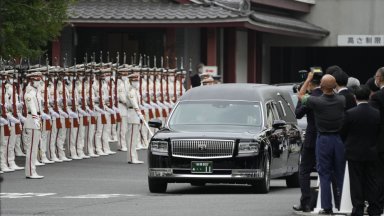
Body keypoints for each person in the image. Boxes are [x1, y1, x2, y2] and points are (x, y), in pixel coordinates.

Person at [298, 72, 346, 215]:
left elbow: (300, 96)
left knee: (324, 174)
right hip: (338, 140)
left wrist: (308, 80)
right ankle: (342, 203)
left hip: (323, 139)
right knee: (340, 173)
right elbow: (336, 92)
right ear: (335, 85)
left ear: (321, 86)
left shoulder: (316, 101)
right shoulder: (341, 100)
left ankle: (327, 207)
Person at [340, 85, 381, 216]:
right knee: (372, 180)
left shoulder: (350, 113)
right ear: (369, 96)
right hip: (372, 151)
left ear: (354, 97)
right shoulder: (376, 113)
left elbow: (342, 132)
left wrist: (348, 143)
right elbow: (379, 132)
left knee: (356, 181)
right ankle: (374, 208)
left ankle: (358, 208)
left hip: (354, 151)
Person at [293, 72, 323, 212]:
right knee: (325, 171)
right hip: (326, 138)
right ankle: (323, 201)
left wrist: (305, 82)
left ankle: (305, 201)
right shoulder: (328, 96)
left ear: (310, 84)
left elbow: (298, 113)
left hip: (312, 139)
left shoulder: (311, 98)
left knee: (304, 170)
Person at [23, 72, 44, 179]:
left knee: (34, 148)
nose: (39, 82)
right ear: (31, 81)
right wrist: (37, 120)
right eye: (36, 80)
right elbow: (32, 109)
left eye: (39, 80)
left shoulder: (36, 93)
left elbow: (40, 108)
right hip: (32, 121)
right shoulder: (29, 94)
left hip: (36, 121)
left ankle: (32, 170)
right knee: (31, 149)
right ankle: (30, 172)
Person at [369, 67, 384, 213]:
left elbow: (373, 119)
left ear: (379, 78)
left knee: (379, 175)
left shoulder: (377, 96)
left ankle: (378, 206)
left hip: (380, 142)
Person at [126, 73, 144, 164]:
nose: (136, 83)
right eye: (134, 81)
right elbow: (134, 103)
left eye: (137, 81)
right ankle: (131, 158)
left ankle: (133, 157)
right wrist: (139, 112)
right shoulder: (131, 91)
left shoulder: (135, 90)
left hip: (135, 114)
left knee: (134, 137)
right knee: (132, 137)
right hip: (132, 113)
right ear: (130, 81)